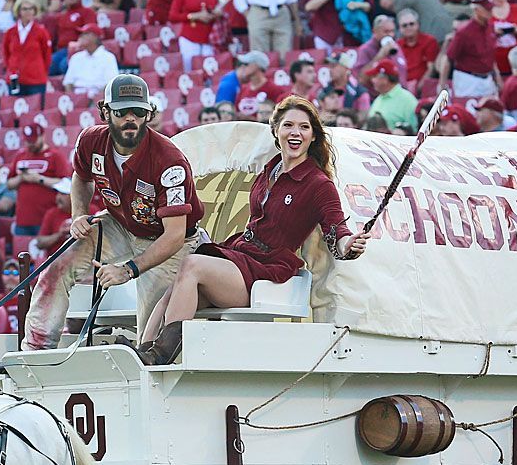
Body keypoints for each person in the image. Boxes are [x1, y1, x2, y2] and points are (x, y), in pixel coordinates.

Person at [137, 95, 367, 365]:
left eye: (304, 127)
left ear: (314, 136)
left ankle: (161, 355)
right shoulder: (270, 169)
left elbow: (336, 230)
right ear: (276, 131)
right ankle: (143, 352)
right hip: (243, 255)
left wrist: (348, 245)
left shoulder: (318, 184)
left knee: (192, 265)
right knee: (172, 289)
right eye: (289, 125)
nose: (296, 133)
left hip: (268, 272)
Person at [24, 74, 206, 351]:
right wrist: (79, 215)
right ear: (105, 111)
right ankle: (37, 350)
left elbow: (175, 235)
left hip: (170, 242)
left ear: (149, 114)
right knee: (57, 266)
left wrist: (128, 270)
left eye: (139, 112)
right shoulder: (90, 141)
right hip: (120, 224)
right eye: (122, 112)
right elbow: (80, 177)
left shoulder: (170, 161)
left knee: (150, 331)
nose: (130, 119)